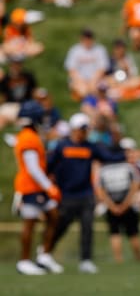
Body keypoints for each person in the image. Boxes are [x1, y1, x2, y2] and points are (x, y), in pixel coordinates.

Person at [47, 112, 125, 274]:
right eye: (82, 129)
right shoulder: (62, 146)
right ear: (74, 129)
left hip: (86, 194)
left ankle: (86, 260)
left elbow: (108, 157)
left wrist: (125, 154)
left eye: (85, 129)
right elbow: (49, 166)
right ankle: (45, 253)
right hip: (66, 195)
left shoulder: (91, 146)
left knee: (87, 228)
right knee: (60, 227)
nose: (84, 132)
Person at [13, 116, 64, 275]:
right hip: (30, 187)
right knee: (30, 223)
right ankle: (24, 261)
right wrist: (50, 187)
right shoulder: (28, 138)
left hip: (37, 187)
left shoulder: (31, 136)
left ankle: (44, 256)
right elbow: (33, 168)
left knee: (54, 216)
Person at [95, 137, 140, 262]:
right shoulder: (128, 167)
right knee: (133, 233)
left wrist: (111, 206)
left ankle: (118, 260)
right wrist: (126, 204)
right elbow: (135, 186)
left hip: (112, 206)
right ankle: (139, 259)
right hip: (128, 205)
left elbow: (101, 190)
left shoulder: (103, 170)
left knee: (115, 233)